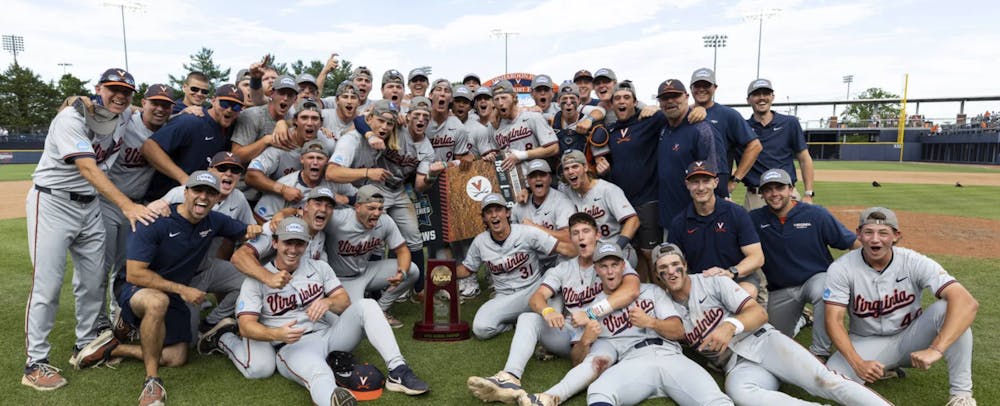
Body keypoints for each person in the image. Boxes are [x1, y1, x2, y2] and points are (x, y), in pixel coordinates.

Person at [23, 68, 158, 391]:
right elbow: (86, 166)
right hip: (53, 203)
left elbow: (145, 109)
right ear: (98, 89)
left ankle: (85, 345)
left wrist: (188, 107)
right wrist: (127, 205)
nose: (120, 96)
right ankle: (35, 362)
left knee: (94, 280)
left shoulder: (125, 116)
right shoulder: (71, 119)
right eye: (112, 89)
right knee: (48, 284)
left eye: (126, 91)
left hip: (90, 206)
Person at [200, 216, 428, 406]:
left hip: (328, 336)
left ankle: (398, 370)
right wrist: (276, 335)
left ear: (306, 245)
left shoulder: (319, 267)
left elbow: (344, 302)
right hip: (291, 346)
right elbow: (247, 326)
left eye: (299, 243)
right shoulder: (256, 280)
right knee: (314, 373)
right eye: (287, 242)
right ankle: (333, 400)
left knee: (367, 305)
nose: (293, 249)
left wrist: (328, 302)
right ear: (276, 243)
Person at [655, 243, 890, 406]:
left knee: (825, 381)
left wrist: (730, 326)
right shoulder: (663, 307)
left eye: (675, 264)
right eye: (663, 268)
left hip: (764, 343)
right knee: (741, 394)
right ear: (657, 275)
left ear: (685, 265)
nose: (671, 272)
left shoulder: (712, 281)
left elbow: (758, 314)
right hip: (737, 366)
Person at [112, 171, 261, 405]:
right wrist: (182, 289)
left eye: (211, 193)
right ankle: (152, 381)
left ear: (217, 199)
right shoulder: (155, 220)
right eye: (198, 191)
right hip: (135, 286)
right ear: (185, 193)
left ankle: (116, 348)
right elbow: (135, 273)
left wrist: (278, 220)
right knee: (157, 302)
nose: (203, 197)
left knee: (178, 356)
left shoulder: (214, 221)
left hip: (173, 291)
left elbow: (248, 230)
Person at [519, 243, 732, 406]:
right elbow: (577, 361)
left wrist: (650, 322)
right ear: (597, 270)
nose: (610, 271)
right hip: (632, 362)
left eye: (614, 265)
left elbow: (678, 331)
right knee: (599, 392)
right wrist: (585, 340)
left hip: (671, 357)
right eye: (604, 266)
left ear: (623, 266)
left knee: (715, 400)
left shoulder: (651, 291)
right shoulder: (590, 309)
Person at [466, 213, 639, 404]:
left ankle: (547, 398)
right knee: (528, 318)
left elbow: (631, 290)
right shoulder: (563, 268)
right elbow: (537, 297)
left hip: (601, 333)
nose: (581, 237)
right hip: (570, 331)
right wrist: (547, 311)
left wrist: (590, 313)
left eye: (586, 231)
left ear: (597, 235)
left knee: (597, 361)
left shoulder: (611, 261)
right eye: (575, 233)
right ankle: (510, 377)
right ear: (570, 239)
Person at [825, 207, 979, 406]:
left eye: (883, 233)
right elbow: (833, 320)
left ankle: (962, 395)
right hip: (866, 341)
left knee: (949, 309)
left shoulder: (913, 261)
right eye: (868, 232)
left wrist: (936, 349)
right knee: (832, 379)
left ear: (896, 236)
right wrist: (857, 363)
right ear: (859, 235)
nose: (875, 239)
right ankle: (883, 369)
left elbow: (968, 302)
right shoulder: (842, 268)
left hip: (912, 339)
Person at [748, 168, 858, 357]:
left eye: (780, 187)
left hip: (815, 279)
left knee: (826, 289)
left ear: (791, 189)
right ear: (762, 194)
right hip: (781, 289)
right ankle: (802, 320)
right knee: (775, 341)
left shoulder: (815, 214)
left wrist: (861, 273)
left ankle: (819, 352)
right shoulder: (754, 219)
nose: (774, 194)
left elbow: (852, 242)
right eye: (768, 189)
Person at [146, 152, 256, 336]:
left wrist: (260, 229)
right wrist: (156, 207)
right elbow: (148, 219)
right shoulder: (181, 193)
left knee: (249, 280)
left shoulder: (238, 198)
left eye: (235, 170)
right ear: (209, 171)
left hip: (206, 269)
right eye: (222, 168)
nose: (228, 174)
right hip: (176, 274)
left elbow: (250, 231)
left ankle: (211, 323)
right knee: (186, 340)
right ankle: (132, 317)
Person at [100, 84, 176, 329]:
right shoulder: (127, 120)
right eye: (155, 102)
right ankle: (97, 323)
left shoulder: (169, 129)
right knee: (101, 266)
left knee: (125, 266)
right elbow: (103, 104)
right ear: (143, 103)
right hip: (109, 202)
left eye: (166, 105)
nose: (160, 108)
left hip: (138, 205)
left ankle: (117, 318)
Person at [456, 194, 578, 340]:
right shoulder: (480, 242)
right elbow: (467, 269)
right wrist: (442, 272)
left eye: (498, 210)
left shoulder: (526, 232)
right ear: (484, 218)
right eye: (489, 212)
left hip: (533, 290)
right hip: (504, 297)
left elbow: (567, 250)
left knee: (554, 274)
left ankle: (551, 320)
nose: (494, 215)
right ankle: (514, 322)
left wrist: (584, 252)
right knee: (481, 329)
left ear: (507, 212)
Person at [320, 185, 419, 327]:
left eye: (380, 208)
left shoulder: (384, 221)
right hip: (341, 280)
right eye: (371, 208)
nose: (377, 213)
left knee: (412, 270)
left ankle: (381, 309)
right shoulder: (338, 219)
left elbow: (402, 250)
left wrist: (401, 272)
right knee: (356, 321)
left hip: (366, 271)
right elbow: (310, 217)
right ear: (358, 207)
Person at [667, 161, 765, 300]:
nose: (701, 187)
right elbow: (672, 261)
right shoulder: (679, 222)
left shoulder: (736, 213)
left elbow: (757, 257)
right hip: (701, 282)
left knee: (744, 293)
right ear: (687, 185)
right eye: (695, 182)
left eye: (706, 181)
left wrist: (730, 272)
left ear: (716, 182)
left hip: (736, 278)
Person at [142, 84, 245, 201]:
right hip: (164, 202)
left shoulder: (229, 129)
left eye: (236, 107)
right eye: (225, 104)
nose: (229, 110)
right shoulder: (191, 121)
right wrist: (184, 179)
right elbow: (149, 147)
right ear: (213, 101)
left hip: (197, 205)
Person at [688, 68, 762, 198]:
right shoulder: (683, 114)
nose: (701, 89)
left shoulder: (728, 114)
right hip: (688, 184)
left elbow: (755, 146)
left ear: (715, 88)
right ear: (691, 88)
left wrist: (735, 180)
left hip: (716, 185)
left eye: (706, 85)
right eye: (697, 85)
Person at [742, 78, 815, 210]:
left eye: (766, 94)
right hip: (756, 196)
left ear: (772, 97)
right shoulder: (742, 127)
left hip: (787, 192)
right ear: (748, 100)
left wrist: (808, 193)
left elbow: (804, 158)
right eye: (757, 94)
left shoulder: (790, 123)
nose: (762, 98)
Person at [560, 149, 639, 267]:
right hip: (590, 254)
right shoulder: (565, 191)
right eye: (566, 169)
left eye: (575, 166)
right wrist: (527, 191)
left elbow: (633, 220)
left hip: (616, 248)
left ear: (585, 167)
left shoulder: (607, 190)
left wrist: (616, 248)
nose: (570, 171)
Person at [254, 139, 352, 223]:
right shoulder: (287, 184)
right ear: (302, 159)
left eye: (320, 158)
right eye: (310, 158)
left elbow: (361, 198)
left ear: (327, 162)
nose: (315, 162)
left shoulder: (333, 181)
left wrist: (346, 199)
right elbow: (259, 217)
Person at [483, 80, 559, 174]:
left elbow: (554, 148)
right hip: (511, 181)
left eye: (504, 97)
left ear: (514, 98)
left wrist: (522, 155)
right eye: (496, 99)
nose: (500, 103)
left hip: (535, 178)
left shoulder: (533, 117)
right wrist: (491, 156)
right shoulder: (494, 126)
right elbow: (497, 155)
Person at [230, 74, 299, 163]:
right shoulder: (252, 116)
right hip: (246, 174)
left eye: (290, 95)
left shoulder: (292, 115)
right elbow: (236, 156)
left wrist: (284, 123)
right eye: (281, 93)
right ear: (272, 94)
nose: (285, 98)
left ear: (295, 99)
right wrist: (266, 140)